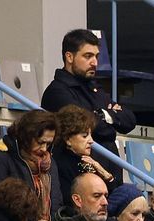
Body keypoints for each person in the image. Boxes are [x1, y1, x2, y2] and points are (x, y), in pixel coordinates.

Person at [40, 29, 135, 180]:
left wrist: (103, 115)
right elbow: (94, 127)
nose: (95, 62)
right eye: (88, 56)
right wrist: (109, 118)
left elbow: (129, 121)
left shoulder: (94, 88)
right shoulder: (57, 92)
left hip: (109, 176)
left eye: (96, 56)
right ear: (69, 57)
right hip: (80, 178)